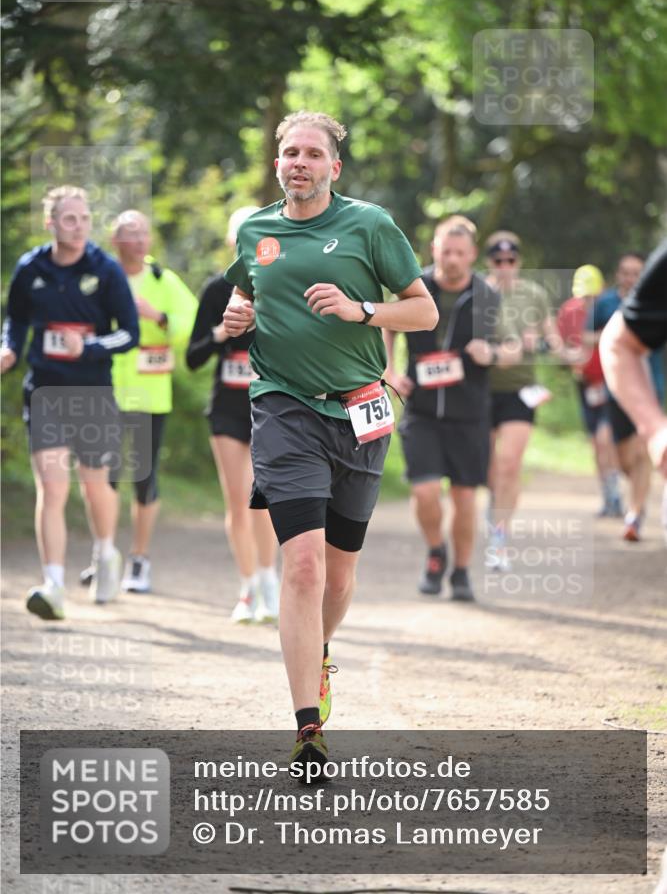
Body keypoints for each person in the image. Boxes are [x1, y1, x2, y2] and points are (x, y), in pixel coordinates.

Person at [222, 110, 437, 768]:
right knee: (305, 564)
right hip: (283, 410)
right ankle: (306, 728)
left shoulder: (368, 225)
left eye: (312, 153)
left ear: (332, 167)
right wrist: (237, 318)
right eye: (289, 152)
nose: (298, 162)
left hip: (360, 414)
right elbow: (243, 302)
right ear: (277, 163)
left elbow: (423, 309)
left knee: (340, 575)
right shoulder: (257, 232)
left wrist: (360, 310)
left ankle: (316, 650)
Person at [0, 186, 139, 619]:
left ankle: (105, 553)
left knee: (94, 486)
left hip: (93, 392)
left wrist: (91, 346)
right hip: (44, 390)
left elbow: (129, 332)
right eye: (68, 219)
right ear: (51, 223)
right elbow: (16, 318)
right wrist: (9, 348)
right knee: (52, 486)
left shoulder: (106, 269)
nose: (77, 226)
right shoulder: (31, 267)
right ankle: (54, 584)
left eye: (83, 218)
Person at [384, 216, 519, 602]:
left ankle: (461, 572)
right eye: (446, 251)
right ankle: (435, 552)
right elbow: (387, 325)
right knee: (425, 491)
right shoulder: (415, 287)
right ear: (434, 249)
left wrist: (491, 352)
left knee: (463, 499)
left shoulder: (488, 296)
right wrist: (390, 370)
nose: (453, 259)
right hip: (422, 410)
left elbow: (513, 348)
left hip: (469, 413)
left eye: (460, 253)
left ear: (473, 254)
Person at [79, 210, 198, 593]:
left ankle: (139, 560)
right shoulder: (100, 278)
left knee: (144, 479)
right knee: (105, 477)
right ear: (115, 241)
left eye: (145, 232)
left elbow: (190, 325)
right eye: (131, 233)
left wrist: (159, 317)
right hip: (106, 388)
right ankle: (104, 555)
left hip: (150, 395)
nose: (141, 240)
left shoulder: (164, 280)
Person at [186, 206, 280, 624]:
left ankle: (269, 581)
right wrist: (222, 333)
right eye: (238, 234)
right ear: (231, 242)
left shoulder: (279, 286)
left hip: (270, 406)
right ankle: (247, 588)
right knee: (238, 503)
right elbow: (192, 357)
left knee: (265, 501)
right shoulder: (214, 289)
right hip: (226, 408)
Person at [485, 231, 561, 570]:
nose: (504, 266)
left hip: (520, 390)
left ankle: (499, 537)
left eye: (510, 261)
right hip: (482, 391)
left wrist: (549, 346)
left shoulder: (535, 295)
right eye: (498, 261)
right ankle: (494, 512)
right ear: (489, 262)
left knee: (509, 464)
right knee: (489, 469)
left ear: (519, 262)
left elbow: (554, 340)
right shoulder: (477, 293)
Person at [586, 252, 665, 541]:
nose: (631, 278)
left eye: (636, 272)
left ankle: (635, 512)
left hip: (652, 384)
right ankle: (638, 491)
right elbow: (586, 337)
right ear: (619, 274)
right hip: (616, 385)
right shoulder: (606, 303)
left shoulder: (657, 296)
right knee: (615, 453)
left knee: (643, 450)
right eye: (626, 272)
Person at [556, 264, 623, 517]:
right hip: (585, 383)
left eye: (592, 296)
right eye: (584, 297)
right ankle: (607, 496)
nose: (587, 302)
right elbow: (560, 345)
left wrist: (594, 338)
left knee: (607, 439)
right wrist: (570, 356)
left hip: (611, 381)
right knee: (597, 444)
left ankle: (617, 494)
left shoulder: (610, 307)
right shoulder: (569, 311)